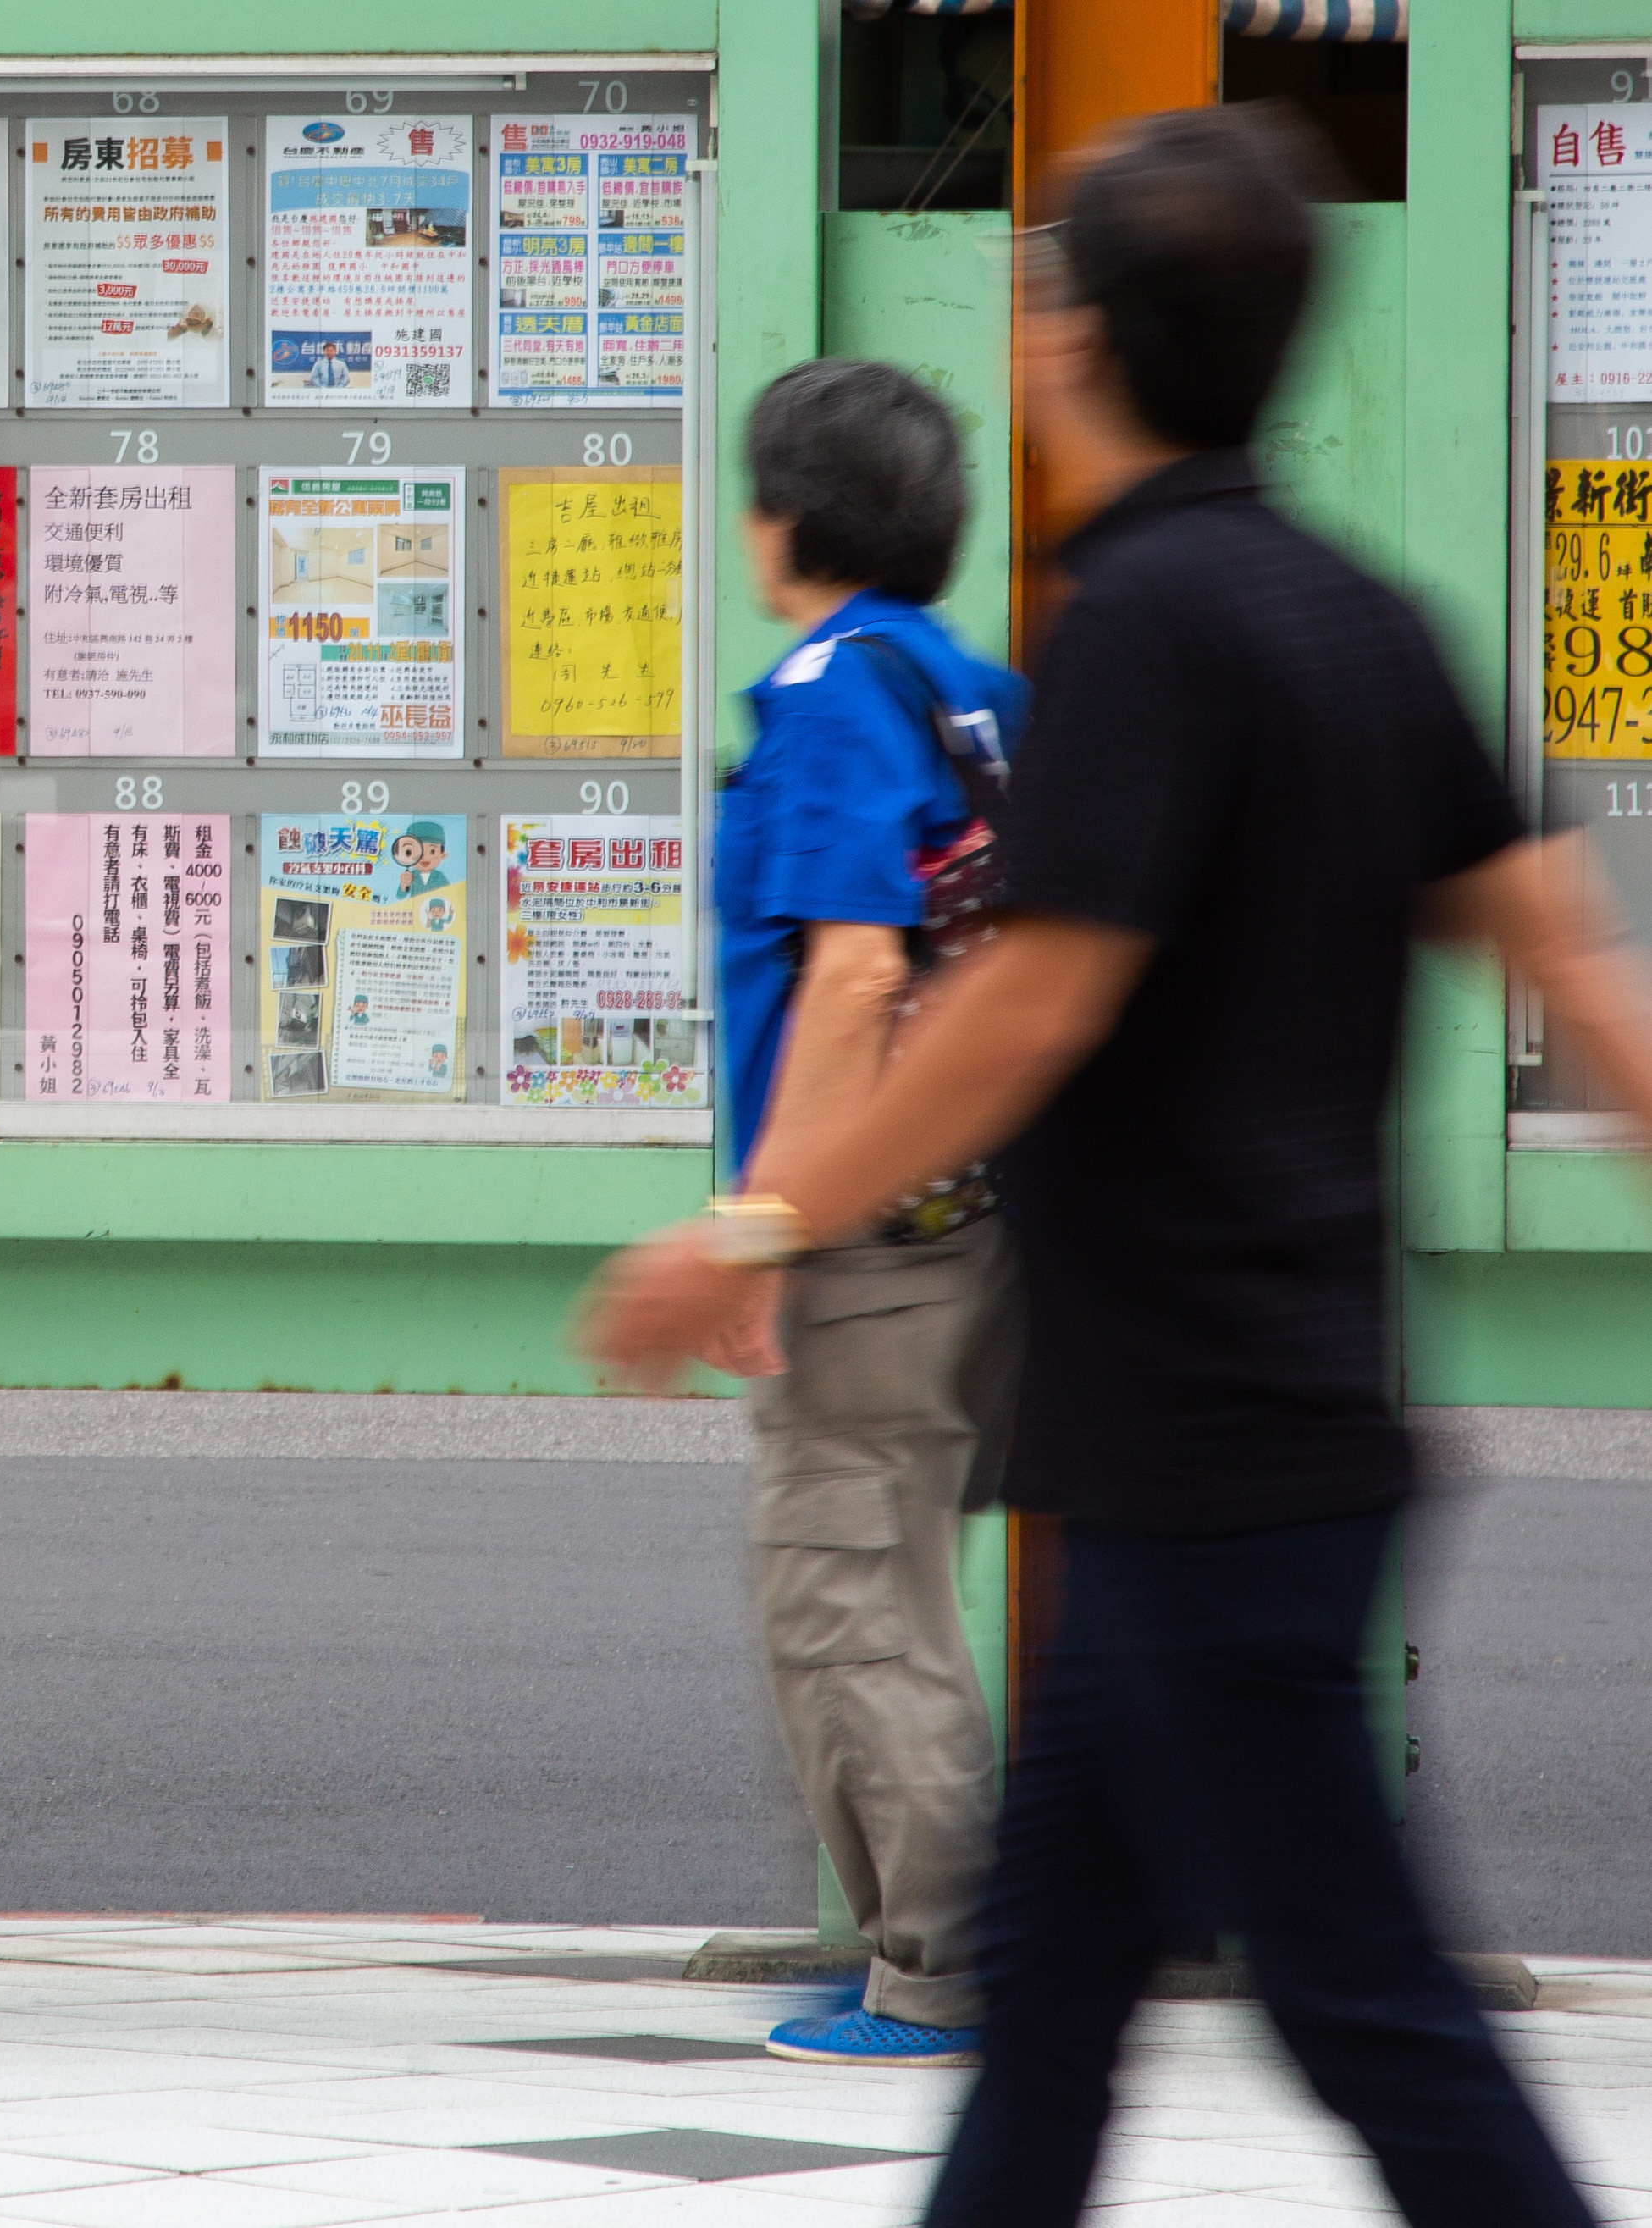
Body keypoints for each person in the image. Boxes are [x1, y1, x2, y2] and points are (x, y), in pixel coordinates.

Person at [581, 108, 1652, 2224]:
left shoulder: (1147, 629)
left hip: (1206, 1455)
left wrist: (755, 1218)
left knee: (1359, 2006)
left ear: (1083, 337)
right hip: (1247, 1429)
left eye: (1047, 288)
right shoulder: (1362, 620)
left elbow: (1016, 1007)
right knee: (1050, 2022)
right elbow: (1580, 982)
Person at [710, 358, 1030, 2069]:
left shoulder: (831, 689)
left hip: (864, 1236)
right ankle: (920, 1944)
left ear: (785, 519)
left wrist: (767, 1221)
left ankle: (938, 1964)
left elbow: (843, 979)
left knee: (847, 1589)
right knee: (872, 1571)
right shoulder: (967, 687)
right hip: (967, 1215)